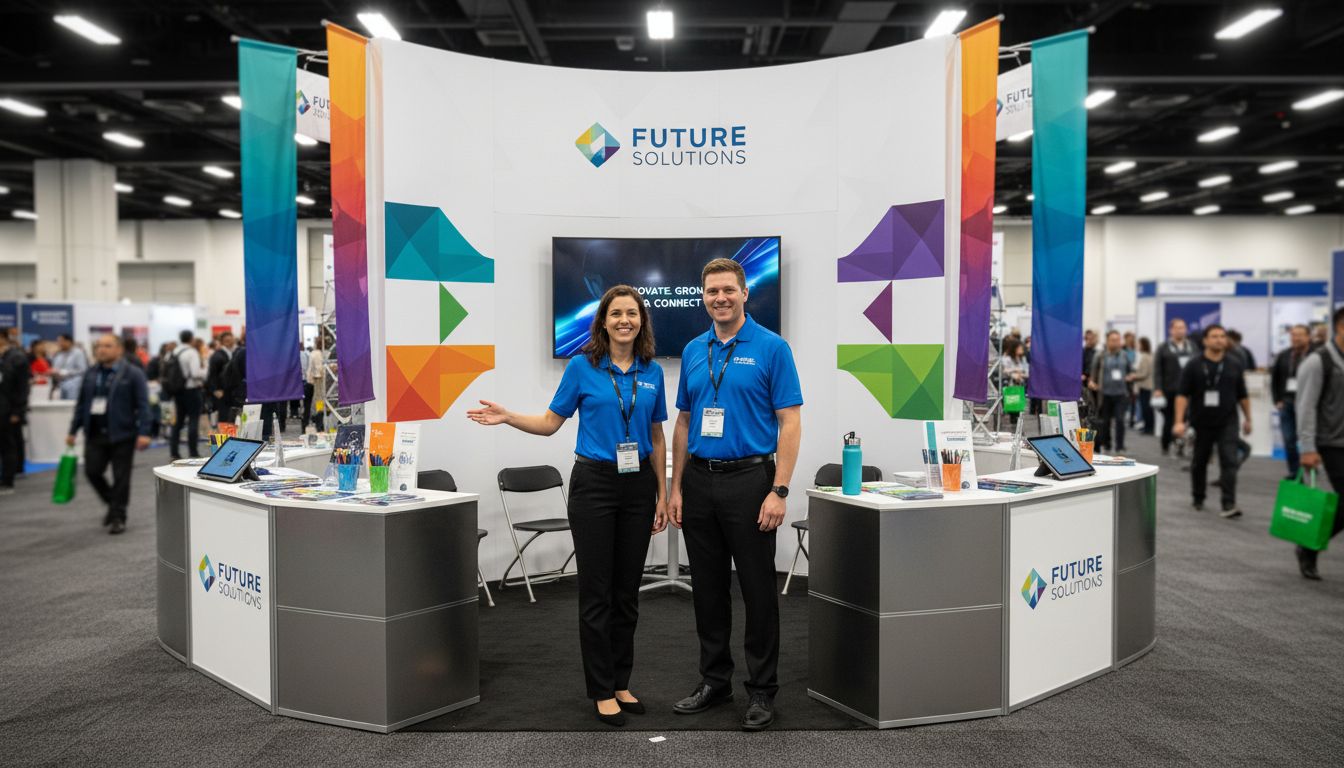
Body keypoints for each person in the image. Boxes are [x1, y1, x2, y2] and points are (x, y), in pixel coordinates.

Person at [467, 285, 669, 727]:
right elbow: (549, 423)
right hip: (594, 485)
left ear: (641, 321)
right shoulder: (582, 367)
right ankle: (601, 689)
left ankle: (621, 681)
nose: (624, 321)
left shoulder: (652, 372)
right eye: (615, 313)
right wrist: (508, 416)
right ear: (603, 321)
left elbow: (656, 438)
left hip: (638, 490)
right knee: (597, 593)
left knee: (626, 594)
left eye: (631, 314)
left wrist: (662, 494)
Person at [668, 258, 803, 732]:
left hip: (751, 482)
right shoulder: (692, 350)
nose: (719, 298)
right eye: (711, 292)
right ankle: (715, 680)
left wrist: (779, 489)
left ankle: (762, 690)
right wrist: (676, 487)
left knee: (758, 591)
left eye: (728, 290)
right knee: (706, 589)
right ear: (702, 297)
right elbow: (684, 421)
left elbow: (790, 420)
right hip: (700, 482)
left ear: (745, 293)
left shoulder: (772, 348)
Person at [65, 334, 152, 534]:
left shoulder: (133, 373)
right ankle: (113, 505)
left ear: (119, 349)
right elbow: (81, 404)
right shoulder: (91, 373)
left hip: (123, 433)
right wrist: (72, 430)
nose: (101, 350)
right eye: (99, 346)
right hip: (95, 432)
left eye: (107, 346)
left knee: (121, 477)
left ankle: (118, 517)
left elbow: (143, 405)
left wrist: (144, 432)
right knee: (92, 471)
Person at [1173, 324, 1251, 519]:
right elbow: (1182, 395)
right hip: (1201, 421)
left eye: (1222, 336)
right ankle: (1198, 497)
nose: (1219, 340)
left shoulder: (1234, 363)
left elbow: (1243, 395)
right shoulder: (1194, 364)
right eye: (1214, 336)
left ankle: (1228, 503)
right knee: (1199, 462)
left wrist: (1248, 419)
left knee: (1229, 461)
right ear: (1206, 340)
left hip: (1228, 421)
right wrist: (1179, 421)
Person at [1291, 308, 1344, 580]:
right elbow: (1306, 406)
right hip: (1330, 444)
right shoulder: (1318, 361)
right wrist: (1307, 447)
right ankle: (1309, 546)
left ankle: (1309, 546)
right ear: (1340, 328)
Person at [1272, 325, 1312, 479]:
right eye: (1294, 335)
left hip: (1307, 404)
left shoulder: (1315, 355)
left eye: (1300, 335)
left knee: (1308, 439)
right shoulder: (1283, 355)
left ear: (1308, 337)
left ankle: (1311, 467)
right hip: (1287, 403)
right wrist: (1277, 400)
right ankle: (1295, 472)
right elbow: (1275, 379)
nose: (1296, 338)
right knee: (1289, 440)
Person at [1153, 318, 1197, 456]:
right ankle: (1166, 445)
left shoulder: (1192, 347)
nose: (1180, 330)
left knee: (1185, 419)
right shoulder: (1163, 348)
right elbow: (1158, 370)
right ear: (1171, 330)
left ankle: (1180, 445)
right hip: (1169, 390)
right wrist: (1158, 388)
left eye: (1183, 327)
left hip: (1188, 390)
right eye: (1177, 328)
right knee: (1170, 419)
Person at [1089, 331, 1135, 453]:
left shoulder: (1124, 355)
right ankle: (1107, 444)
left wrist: (1131, 376)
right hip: (1104, 394)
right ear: (1107, 341)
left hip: (1121, 394)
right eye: (1113, 340)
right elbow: (1093, 374)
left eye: (1118, 340)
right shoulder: (1100, 355)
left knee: (1120, 420)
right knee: (1105, 422)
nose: (1116, 342)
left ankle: (1120, 446)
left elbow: (1131, 371)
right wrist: (1092, 382)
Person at [0, 331, 31, 495]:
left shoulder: (16, 358)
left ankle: (7, 480)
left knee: (8, 445)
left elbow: (22, 388)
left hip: (8, 410)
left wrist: (18, 411)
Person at [168, 330, 206, 460]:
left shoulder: (173, 352)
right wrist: (205, 371)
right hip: (192, 390)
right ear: (191, 338)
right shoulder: (191, 352)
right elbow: (195, 373)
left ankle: (174, 452)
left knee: (178, 422)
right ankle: (193, 452)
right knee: (193, 420)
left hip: (177, 390)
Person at [207, 332, 238, 423]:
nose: (229, 342)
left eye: (230, 339)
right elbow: (212, 374)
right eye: (226, 340)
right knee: (224, 416)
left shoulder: (236, 351)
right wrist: (215, 389)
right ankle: (225, 436)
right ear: (222, 342)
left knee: (234, 416)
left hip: (234, 390)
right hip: (223, 391)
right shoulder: (218, 355)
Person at [50, 333, 88, 400]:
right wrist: (54, 372)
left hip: (74, 383)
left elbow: (83, 369)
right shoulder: (58, 354)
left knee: (71, 405)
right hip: (60, 384)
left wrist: (65, 372)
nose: (59, 343)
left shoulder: (78, 353)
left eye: (61, 341)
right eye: (58, 341)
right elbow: (55, 368)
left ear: (69, 342)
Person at [1001, 337, 1029, 427]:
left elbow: (1026, 372)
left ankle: (1017, 423)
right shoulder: (1007, 359)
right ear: (1014, 348)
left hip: (1020, 385)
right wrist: (1016, 371)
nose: (1022, 350)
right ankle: (1013, 422)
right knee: (1013, 405)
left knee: (1019, 406)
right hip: (1011, 385)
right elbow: (1005, 371)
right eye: (1019, 348)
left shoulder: (1022, 359)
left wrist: (1018, 372)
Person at [304, 337, 325, 432]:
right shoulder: (318, 354)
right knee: (318, 402)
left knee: (311, 405)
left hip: (312, 381)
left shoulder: (314, 353)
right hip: (317, 381)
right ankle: (318, 424)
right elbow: (318, 369)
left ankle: (310, 424)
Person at [1135, 338, 1155, 435]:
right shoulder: (1150, 356)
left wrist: (1133, 376)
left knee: (1146, 408)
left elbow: (1144, 373)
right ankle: (1148, 427)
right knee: (1147, 408)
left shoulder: (1145, 357)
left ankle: (1149, 428)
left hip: (1145, 386)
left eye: (1139, 344)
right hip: (1149, 386)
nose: (1138, 346)